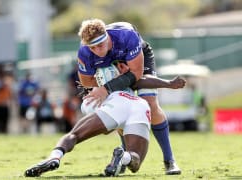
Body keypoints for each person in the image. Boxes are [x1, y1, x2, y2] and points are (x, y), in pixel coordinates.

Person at [76, 18, 185, 175]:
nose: (98, 51)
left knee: (150, 105)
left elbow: (137, 74)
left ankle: (169, 160)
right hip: (111, 66)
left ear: (107, 36)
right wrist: (110, 73)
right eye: (93, 48)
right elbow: (86, 82)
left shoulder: (126, 36)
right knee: (121, 110)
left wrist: (107, 87)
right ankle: (124, 156)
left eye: (100, 45)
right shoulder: (85, 51)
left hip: (137, 61)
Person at [24, 64, 152, 177]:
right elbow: (142, 80)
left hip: (116, 103)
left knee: (74, 135)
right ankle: (124, 157)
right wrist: (170, 84)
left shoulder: (90, 99)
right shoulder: (123, 77)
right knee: (136, 158)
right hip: (140, 105)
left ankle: (55, 157)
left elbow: (106, 130)